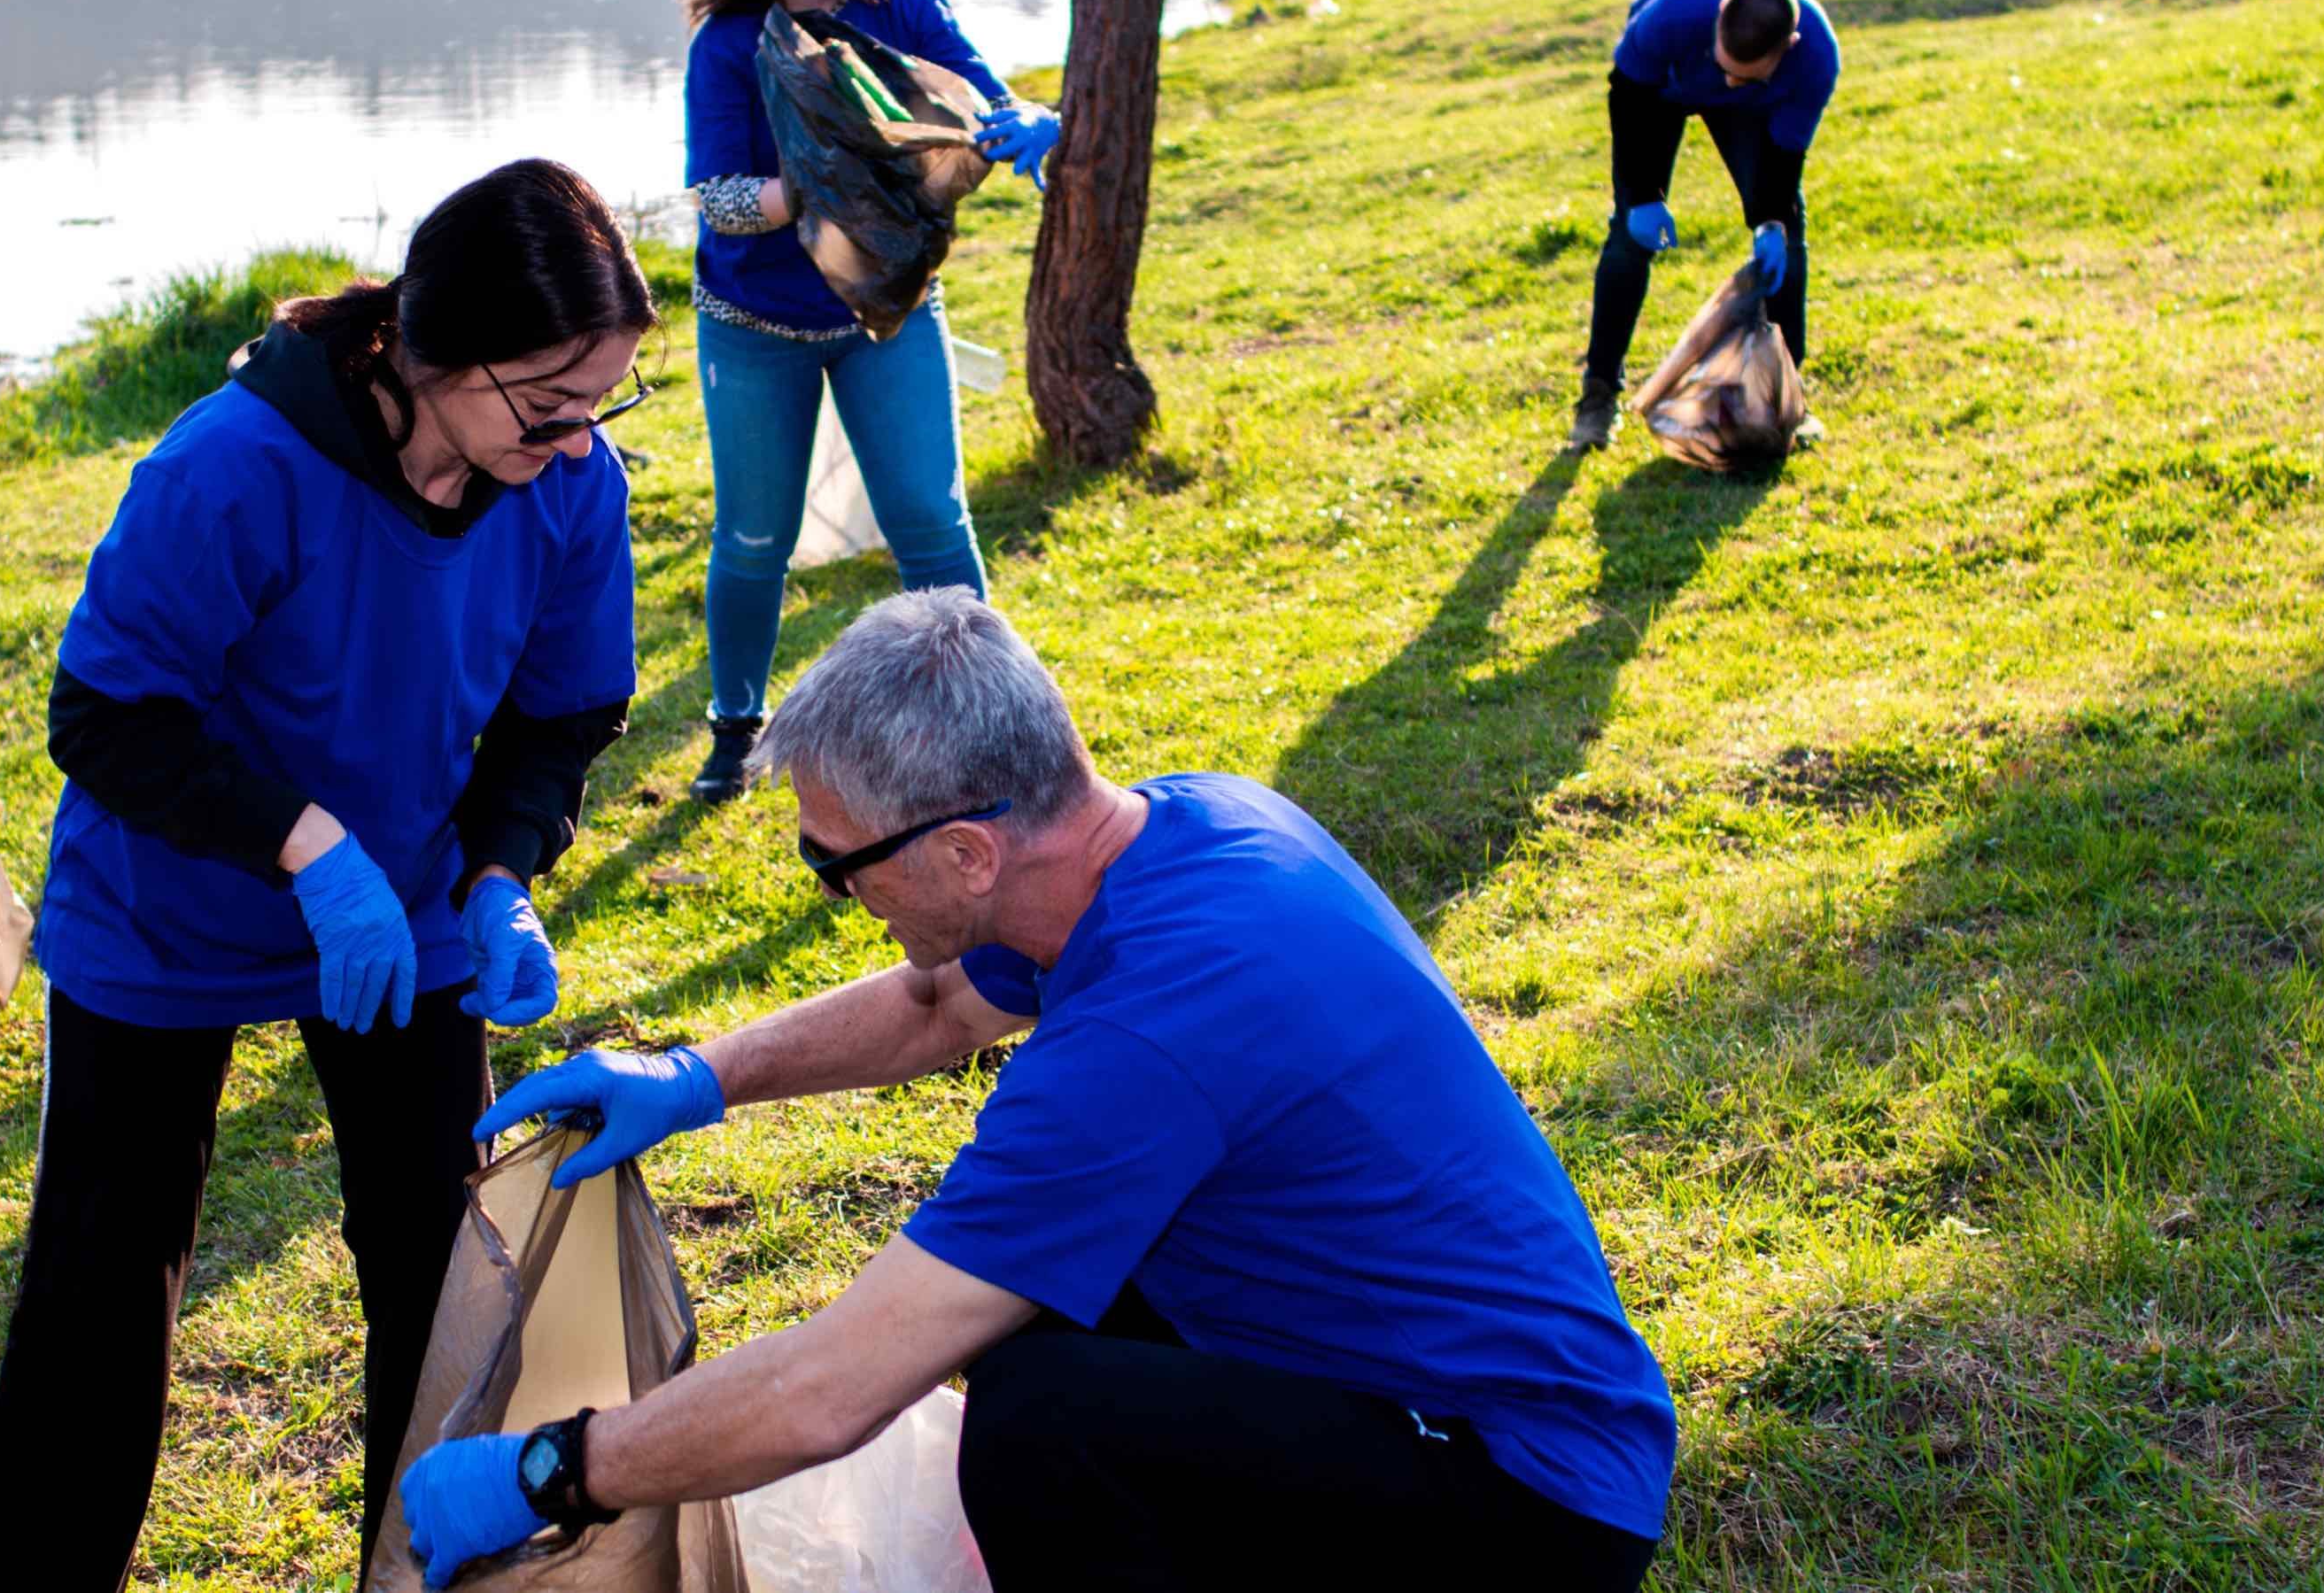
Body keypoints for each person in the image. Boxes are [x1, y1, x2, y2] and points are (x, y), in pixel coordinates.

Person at [391, 592, 1675, 1593]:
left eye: (837, 867)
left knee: (1045, 1434)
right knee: (1035, 1338)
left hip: (1527, 1504)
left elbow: (829, 1386)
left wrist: (553, 1468)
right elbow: (946, 1004)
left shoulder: (1140, 1043)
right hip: (1447, 1384)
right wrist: (696, 1073)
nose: (835, 893)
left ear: (965, 848)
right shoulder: (1184, 828)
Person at [0, 158, 651, 1593]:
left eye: (604, 399)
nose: (581, 436)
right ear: (438, 351)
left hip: (406, 915)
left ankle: (414, 1574)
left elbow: (560, 711)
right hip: (168, 908)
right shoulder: (237, 463)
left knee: (439, 1269)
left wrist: (500, 868)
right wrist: (306, 840)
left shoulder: (569, 485)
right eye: (549, 400)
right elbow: (106, 713)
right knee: (104, 1290)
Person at [676, 0, 1060, 801]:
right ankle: (735, 726)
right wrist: (822, 181)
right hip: (754, 322)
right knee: (754, 538)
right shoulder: (728, 47)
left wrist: (1026, 124)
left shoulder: (905, 9)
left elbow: (985, 101)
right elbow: (719, 196)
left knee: (932, 520)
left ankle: (994, 729)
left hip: (887, 312)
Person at [1572, 0, 1840, 452]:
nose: (1731, 79)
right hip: (1660, 91)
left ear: (1789, 49)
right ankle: (1597, 397)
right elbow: (1628, 100)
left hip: (1750, 114)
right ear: (1717, 19)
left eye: (1747, 74)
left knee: (1787, 236)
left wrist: (1770, 221)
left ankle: (1785, 397)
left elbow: (1785, 156)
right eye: (1726, 67)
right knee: (1628, 238)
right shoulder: (1668, 17)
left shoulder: (1816, 59)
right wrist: (1642, 196)